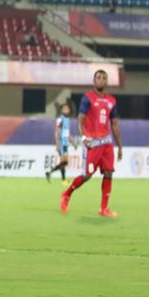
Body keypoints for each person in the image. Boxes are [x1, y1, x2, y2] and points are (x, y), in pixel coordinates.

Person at [60, 70, 122, 217]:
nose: (100, 80)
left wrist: (119, 146)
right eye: (98, 77)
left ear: (106, 82)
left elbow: (114, 124)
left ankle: (104, 209)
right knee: (87, 176)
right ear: (94, 81)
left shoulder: (112, 100)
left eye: (103, 78)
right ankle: (66, 194)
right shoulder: (87, 98)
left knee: (108, 173)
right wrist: (83, 138)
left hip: (107, 143)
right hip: (92, 144)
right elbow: (80, 119)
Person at [45, 101, 72, 185]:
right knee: (65, 162)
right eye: (64, 109)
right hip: (61, 143)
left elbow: (67, 133)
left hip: (65, 143)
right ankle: (52, 174)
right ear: (62, 111)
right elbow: (56, 131)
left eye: (67, 108)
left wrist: (73, 141)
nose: (66, 110)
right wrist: (57, 144)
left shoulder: (67, 119)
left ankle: (58, 177)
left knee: (64, 162)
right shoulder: (60, 119)